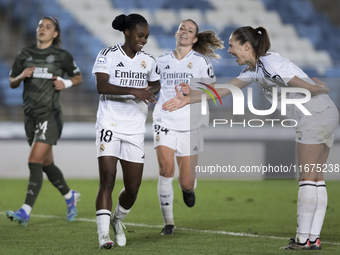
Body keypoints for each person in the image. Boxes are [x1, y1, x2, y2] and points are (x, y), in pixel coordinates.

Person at [163, 26, 339, 250]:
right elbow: (224, 90)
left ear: (247, 46)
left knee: (307, 177)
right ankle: (312, 239)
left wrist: (314, 89)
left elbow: (298, 83)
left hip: (314, 114)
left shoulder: (269, 64)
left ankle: (303, 240)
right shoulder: (255, 69)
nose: (229, 50)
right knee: (315, 178)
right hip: (324, 112)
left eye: (231, 45)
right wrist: (189, 98)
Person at [5, 17, 83, 226]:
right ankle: (70, 196)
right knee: (47, 164)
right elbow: (12, 82)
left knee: (34, 161)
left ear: (55, 34)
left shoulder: (61, 56)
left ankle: (25, 211)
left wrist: (65, 83)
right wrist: (21, 75)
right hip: (30, 116)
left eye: (48, 27)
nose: (42, 29)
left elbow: (78, 77)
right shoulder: (24, 54)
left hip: (50, 115)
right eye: (40, 25)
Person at [92, 13, 160, 249]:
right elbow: (101, 86)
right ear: (128, 32)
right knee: (107, 179)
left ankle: (117, 220)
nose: (144, 40)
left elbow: (156, 82)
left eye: (147, 36)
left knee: (132, 188)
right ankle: (103, 236)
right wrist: (135, 91)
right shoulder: (108, 54)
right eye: (141, 35)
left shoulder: (149, 60)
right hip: (109, 124)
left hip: (134, 129)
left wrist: (150, 89)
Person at [152, 19, 223, 235]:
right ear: (177, 33)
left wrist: (191, 91)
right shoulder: (161, 60)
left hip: (191, 126)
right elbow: (150, 85)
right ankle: (169, 223)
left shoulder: (201, 62)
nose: (185, 31)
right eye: (182, 28)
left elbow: (213, 91)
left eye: (190, 30)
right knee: (166, 170)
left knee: (186, 181)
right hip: (164, 121)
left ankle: (188, 189)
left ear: (194, 39)